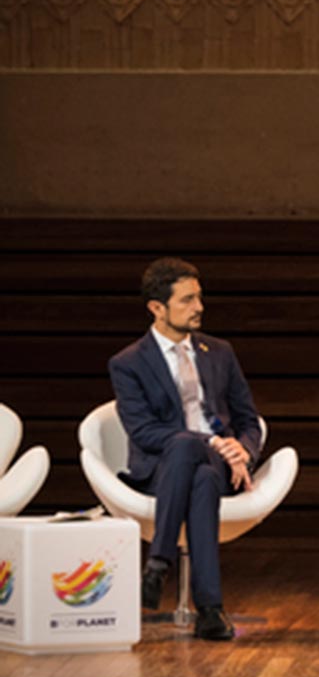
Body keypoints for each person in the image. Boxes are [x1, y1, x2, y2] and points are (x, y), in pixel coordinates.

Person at [109, 258, 261, 641]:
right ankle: (210, 610)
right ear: (156, 308)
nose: (199, 307)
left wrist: (243, 451)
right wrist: (212, 442)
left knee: (202, 463)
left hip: (222, 462)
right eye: (187, 300)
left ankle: (158, 564)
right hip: (163, 470)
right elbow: (144, 432)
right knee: (198, 471)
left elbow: (248, 420)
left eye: (199, 297)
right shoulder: (128, 363)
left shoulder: (220, 352)